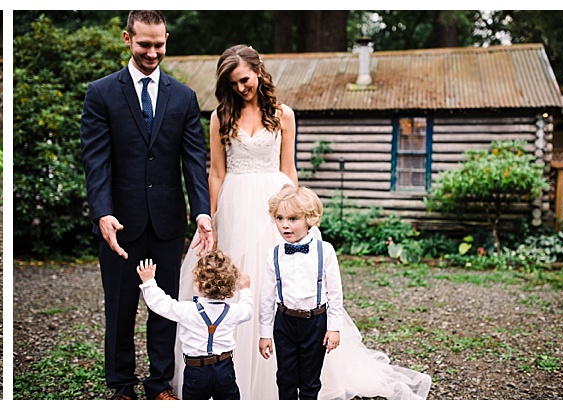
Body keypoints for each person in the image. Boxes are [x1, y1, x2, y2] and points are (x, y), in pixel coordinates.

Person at [175, 45, 431, 399]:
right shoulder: (221, 116)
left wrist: (297, 212)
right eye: (233, 83)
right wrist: (214, 219)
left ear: (259, 71)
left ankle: (286, 374)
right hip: (234, 204)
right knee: (231, 282)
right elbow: (216, 173)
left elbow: (288, 168)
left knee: (282, 280)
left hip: (274, 202)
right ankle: (232, 374)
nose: (241, 88)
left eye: (245, 80)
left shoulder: (283, 115)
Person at [80, 10, 214, 400]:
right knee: (120, 310)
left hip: (168, 223)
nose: (153, 52)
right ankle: (121, 385)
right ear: (127, 38)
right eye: (144, 44)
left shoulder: (184, 96)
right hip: (119, 223)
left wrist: (201, 211)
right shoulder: (101, 93)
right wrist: (102, 212)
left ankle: (160, 385)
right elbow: (96, 160)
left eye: (159, 44)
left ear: (167, 39)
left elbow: (193, 160)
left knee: (166, 309)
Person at [256, 185, 341, 399]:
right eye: (280, 218)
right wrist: (265, 333)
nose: (285, 225)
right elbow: (266, 297)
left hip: (315, 322)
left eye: (293, 219)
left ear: (309, 219)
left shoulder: (325, 251)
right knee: (285, 378)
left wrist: (334, 328)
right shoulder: (273, 255)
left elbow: (335, 294)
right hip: (284, 322)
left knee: (310, 381)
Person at [137, 250, 252, 400]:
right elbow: (248, 310)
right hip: (224, 368)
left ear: (197, 284)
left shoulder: (187, 310)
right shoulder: (233, 311)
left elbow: (162, 304)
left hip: (196, 370)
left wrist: (149, 282)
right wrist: (245, 290)